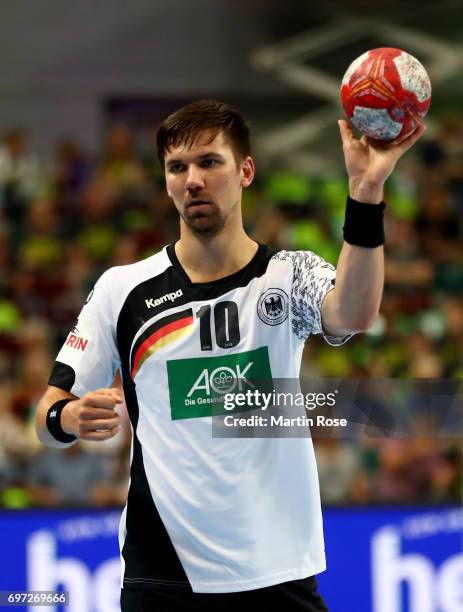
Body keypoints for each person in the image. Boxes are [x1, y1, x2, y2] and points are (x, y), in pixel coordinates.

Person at [35, 100, 425, 611]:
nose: (192, 179)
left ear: (245, 171)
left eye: (209, 162)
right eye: (177, 168)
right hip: (165, 578)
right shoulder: (122, 289)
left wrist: (366, 192)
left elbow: (353, 314)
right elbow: (45, 417)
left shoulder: (288, 275)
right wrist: (69, 415)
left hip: (277, 569)